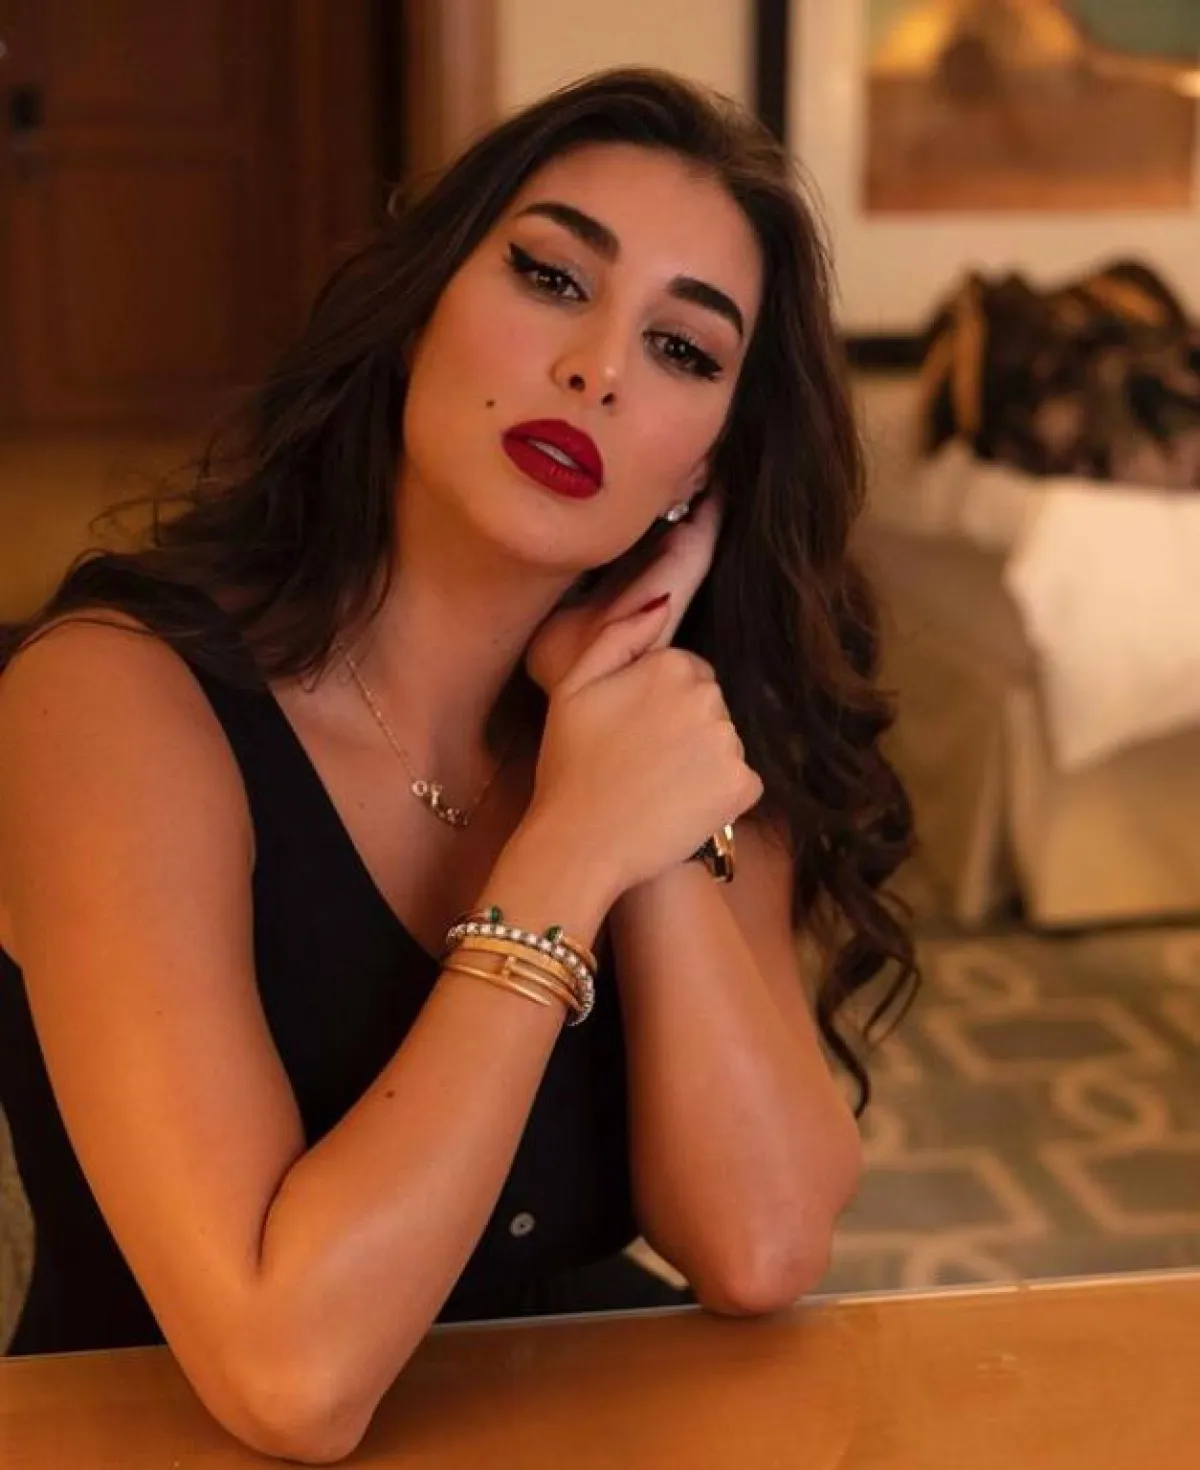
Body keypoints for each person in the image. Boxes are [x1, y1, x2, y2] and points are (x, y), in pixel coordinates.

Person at [0, 68, 915, 1462]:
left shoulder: (678, 727)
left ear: (700, 474)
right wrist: (571, 850)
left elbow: (760, 1240)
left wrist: (629, 759)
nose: (599, 368)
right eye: (552, 277)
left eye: (683, 350)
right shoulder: (108, 702)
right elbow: (289, 1376)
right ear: (417, 309)